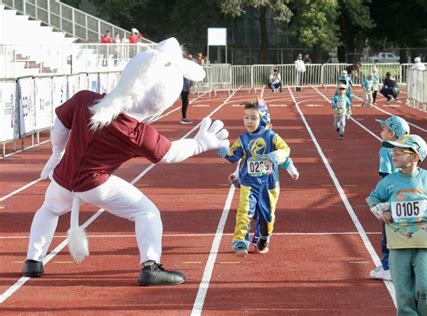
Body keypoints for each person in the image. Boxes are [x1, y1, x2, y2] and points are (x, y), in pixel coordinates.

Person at [21, 38, 230, 286]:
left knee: (50, 208)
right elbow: (170, 154)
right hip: (96, 184)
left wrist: (56, 154)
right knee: (147, 212)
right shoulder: (138, 132)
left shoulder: (84, 99)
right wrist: (200, 143)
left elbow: (60, 126)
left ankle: (33, 261)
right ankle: (150, 266)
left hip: (63, 177)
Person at [366, 134, 427, 315]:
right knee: (403, 291)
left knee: (425, 288)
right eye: (393, 150)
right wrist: (382, 212)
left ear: (416, 156)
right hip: (397, 244)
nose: (393, 154)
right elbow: (373, 198)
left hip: (422, 244)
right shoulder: (388, 182)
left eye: (399, 151)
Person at [218, 100, 291, 257]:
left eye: (253, 118)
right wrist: (219, 146)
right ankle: (240, 243)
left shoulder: (272, 137)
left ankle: (263, 238)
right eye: (246, 117)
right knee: (244, 211)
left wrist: (275, 156)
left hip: (269, 185)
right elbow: (232, 156)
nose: (249, 121)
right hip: (248, 183)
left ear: (263, 118)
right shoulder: (243, 139)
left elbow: (285, 150)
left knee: (267, 215)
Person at [369, 116, 410, 281]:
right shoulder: (408, 148)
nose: (380, 131)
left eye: (384, 129)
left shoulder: (386, 148)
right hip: (407, 192)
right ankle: (400, 266)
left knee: (388, 232)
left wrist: (382, 200)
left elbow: (385, 175)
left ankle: (388, 267)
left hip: (392, 194)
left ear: (392, 133)